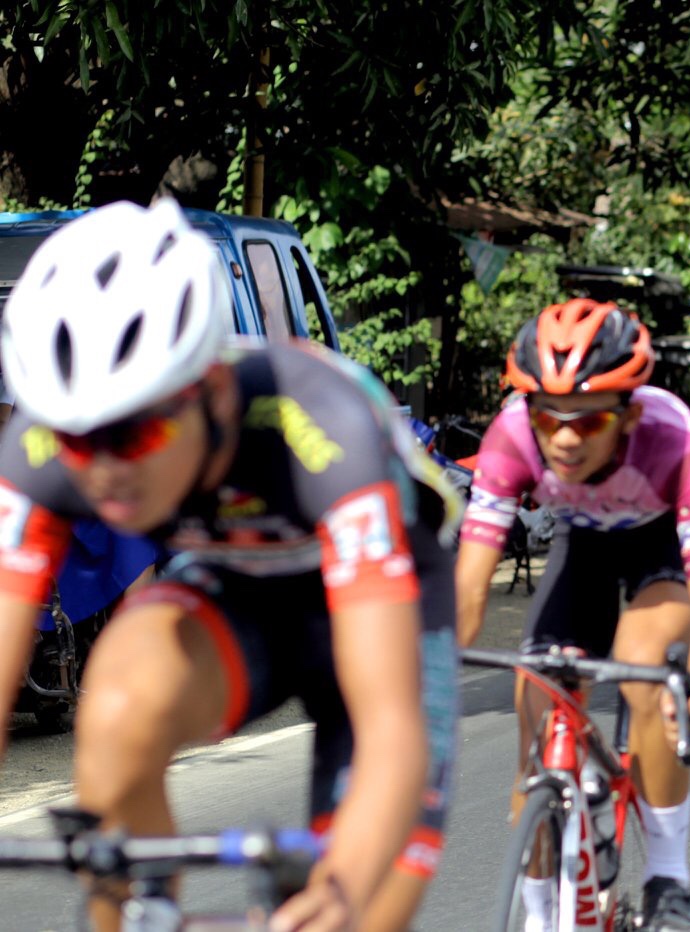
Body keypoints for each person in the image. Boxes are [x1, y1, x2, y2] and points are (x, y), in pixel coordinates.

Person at [0, 200, 462, 932]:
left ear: (211, 392)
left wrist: (344, 887)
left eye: (135, 432)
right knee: (114, 707)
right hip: (238, 592)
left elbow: (391, 729)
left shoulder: (323, 422)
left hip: (377, 607)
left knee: (362, 904)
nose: (105, 468)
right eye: (77, 440)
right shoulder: (41, 446)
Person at [454, 299, 690, 931]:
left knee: (646, 671)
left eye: (590, 420)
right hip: (580, 547)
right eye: (548, 419)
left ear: (629, 414)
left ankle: (667, 874)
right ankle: (539, 910)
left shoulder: (676, 439)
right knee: (535, 696)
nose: (565, 438)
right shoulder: (510, 435)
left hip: (657, 549)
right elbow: (469, 589)